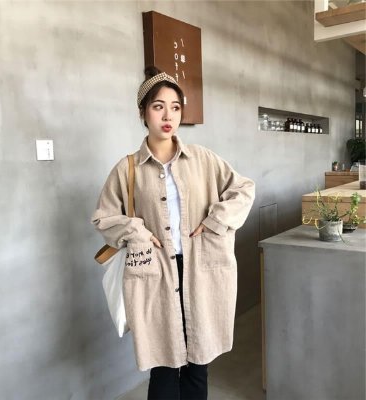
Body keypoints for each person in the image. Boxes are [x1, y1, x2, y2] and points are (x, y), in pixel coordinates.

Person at [91, 67, 255, 400]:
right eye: (158, 106)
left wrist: (215, 221)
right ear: (143, 113)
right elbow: (103, 218)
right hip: (154, 273)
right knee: (163, 364)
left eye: (175, 107)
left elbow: (244, 189)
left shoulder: (203, 159)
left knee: (198, 363)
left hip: (201, 268)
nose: (168, 116)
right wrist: (136, 231)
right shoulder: (127, 169)